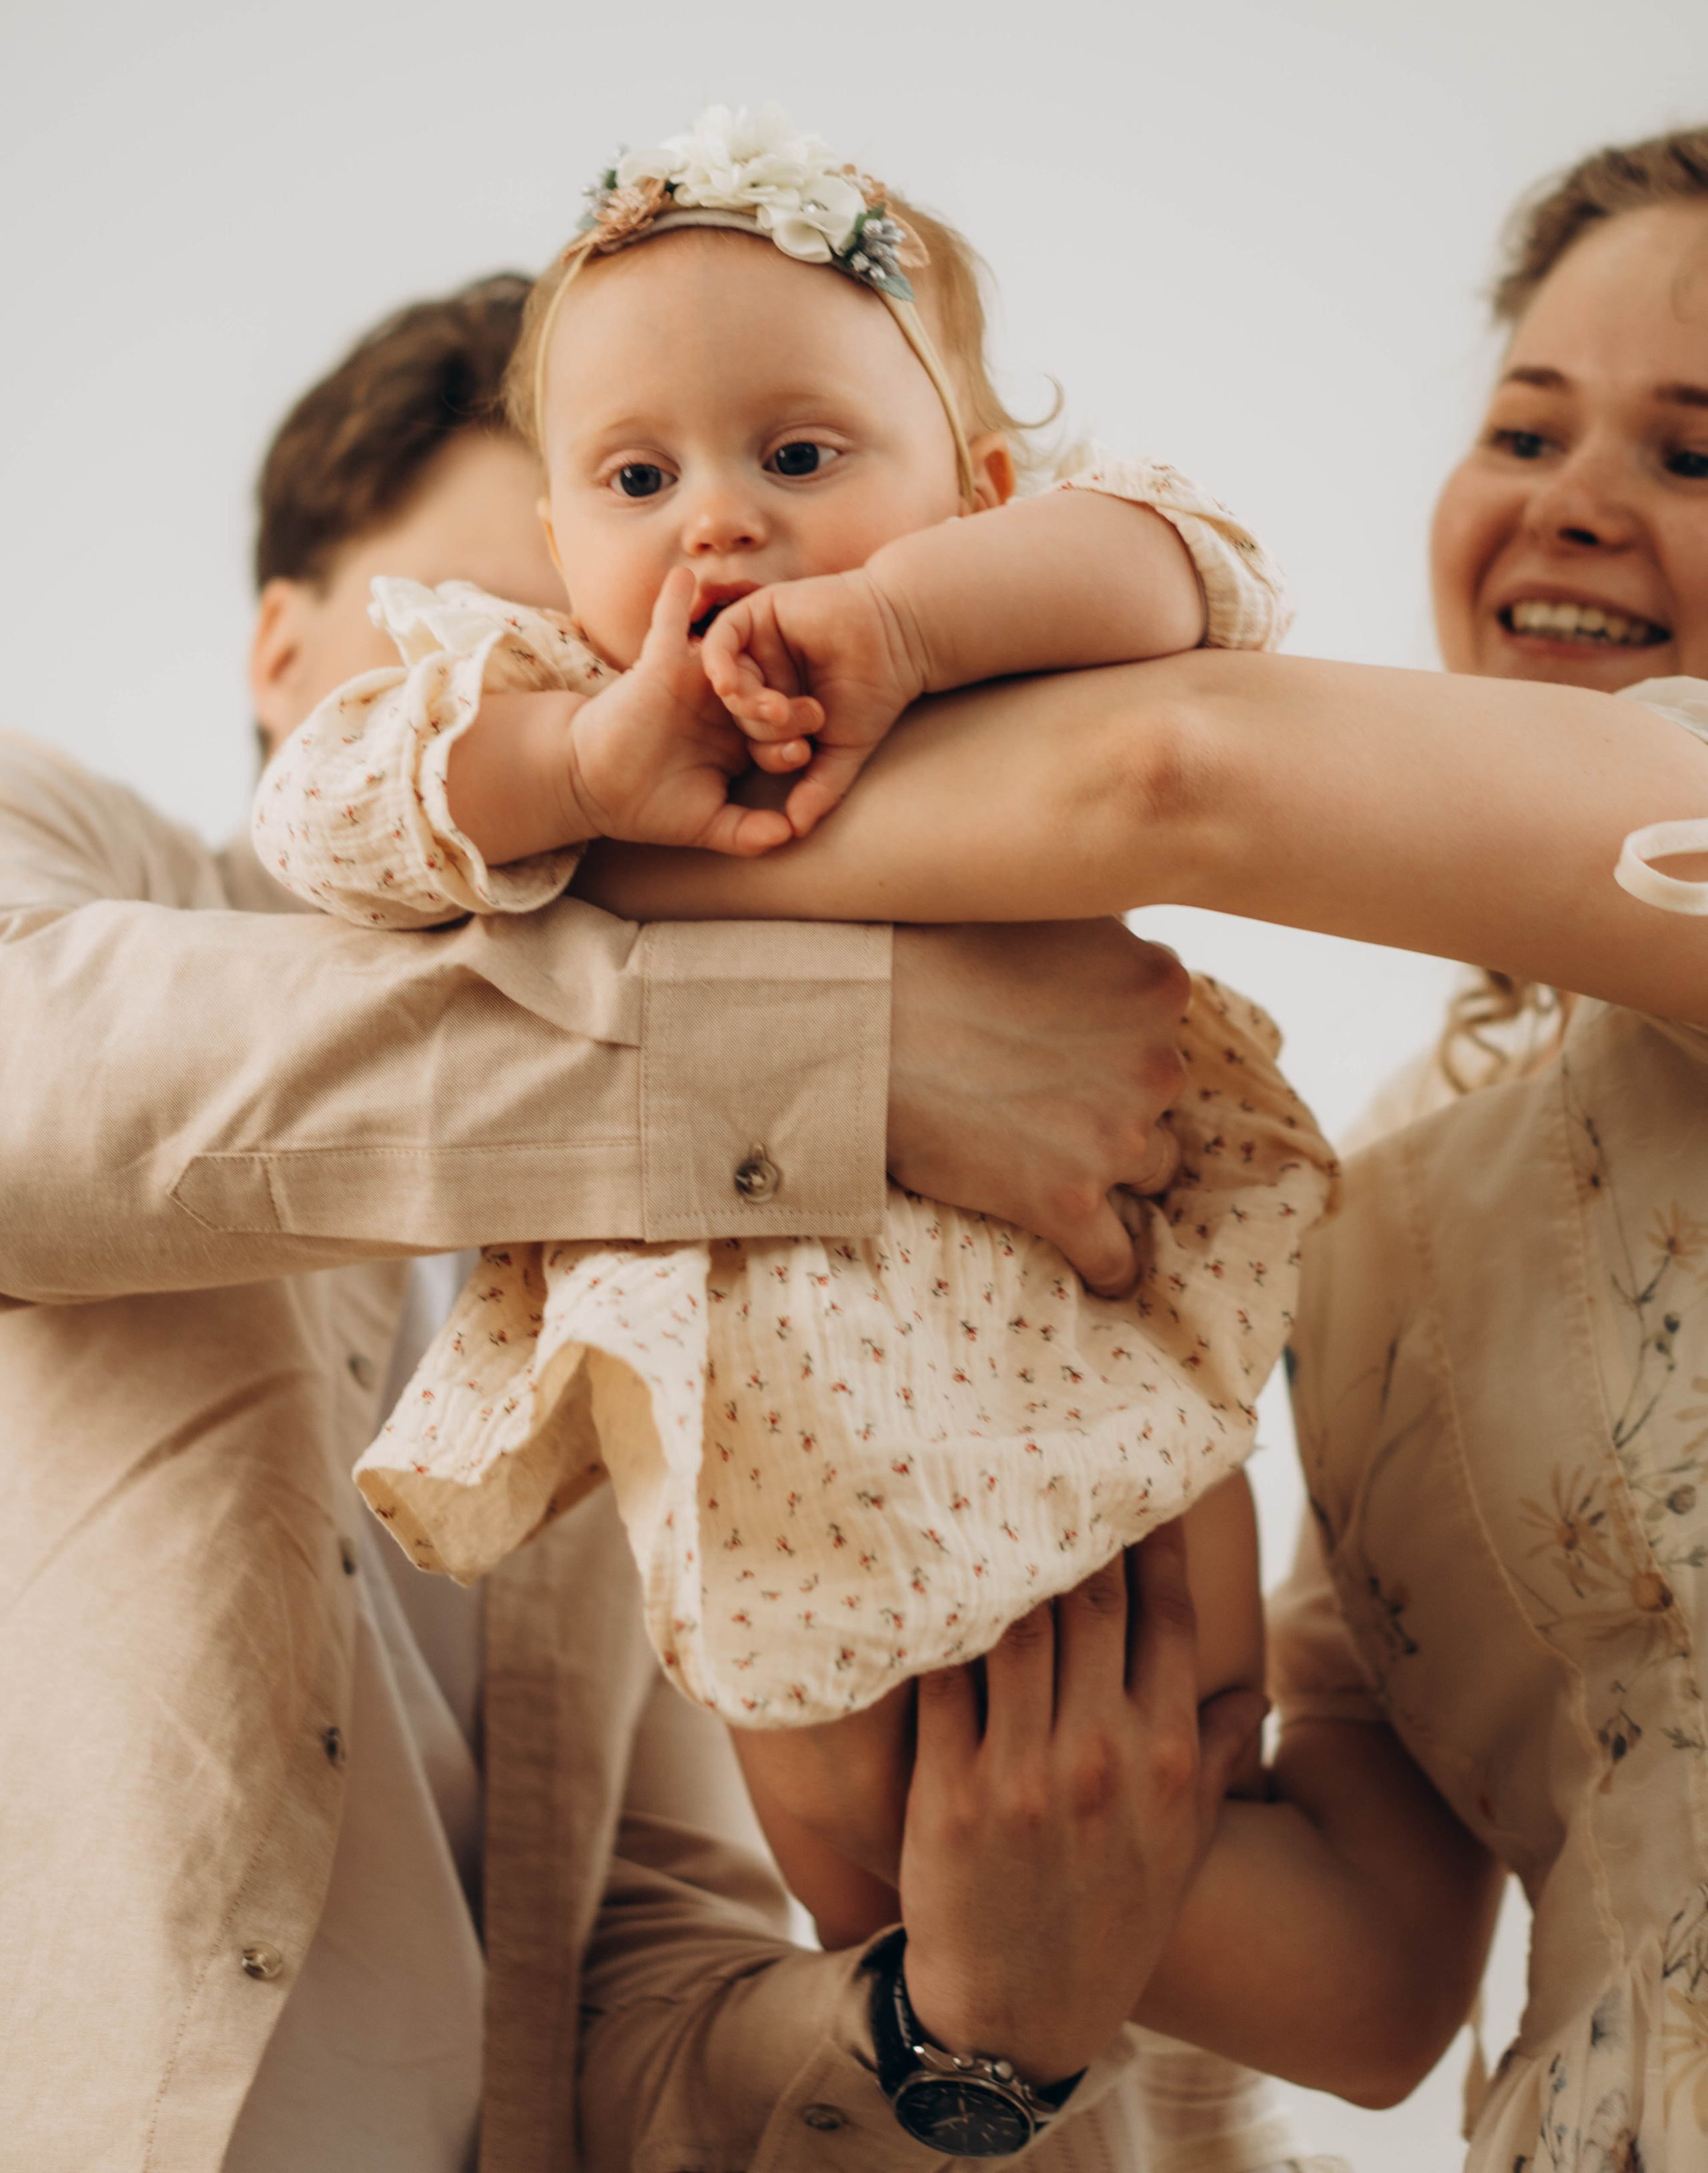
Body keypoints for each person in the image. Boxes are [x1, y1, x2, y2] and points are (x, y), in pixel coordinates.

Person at [0, 271, 1256, 2170]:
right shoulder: (67, 856)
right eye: (495, 637)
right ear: (280, 654)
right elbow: (41, 1094)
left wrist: (955, 2034)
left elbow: (642, 1991)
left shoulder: (682, 1296)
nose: (628, 698)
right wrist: (845, 1054)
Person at [593, 123, 1708, 2158]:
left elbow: (1169, 769)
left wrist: (574, 841)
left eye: (1692, 455)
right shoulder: (1373, 1183)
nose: (1578, 512)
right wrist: (912, 1763)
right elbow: (1371, 1976)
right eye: (1527, 433)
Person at [252, 113, 1333, 1876]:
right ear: (551, 529)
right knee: (840, 1792)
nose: (719, 521)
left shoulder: (993, 644)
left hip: (1075, 1304)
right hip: (776, 1407)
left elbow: (1199, 557)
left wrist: (911, 634)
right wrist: (590, 767)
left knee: (1193, 1676)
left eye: (802, 451)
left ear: (981, 489)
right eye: (635, 481)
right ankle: (915, 2001)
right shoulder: (554, 696)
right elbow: (325, 811)